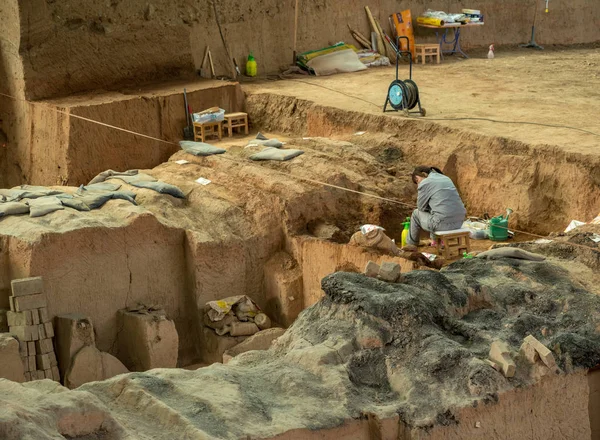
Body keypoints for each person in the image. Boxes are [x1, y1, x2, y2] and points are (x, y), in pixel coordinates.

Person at [404, 166, 466, 248]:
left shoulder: (425, 182)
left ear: (424, 174)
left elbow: (421, 207)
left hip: (442, 225)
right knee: (436, 211)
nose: (418, 184)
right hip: (459, 222)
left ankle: (411, 245)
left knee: (416, 214)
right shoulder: (446, 178)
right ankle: (436, 242)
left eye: (417, 180)